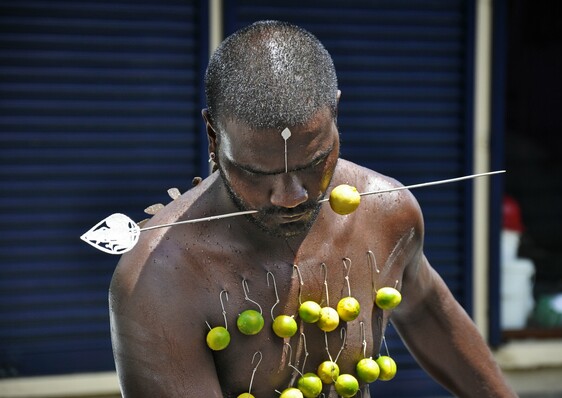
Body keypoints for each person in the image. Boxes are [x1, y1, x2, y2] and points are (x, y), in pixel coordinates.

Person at [109, 20, 517, 398]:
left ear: (336, 114)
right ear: (213, 138)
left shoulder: (388, 212)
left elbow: (426, 309)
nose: (290, 196)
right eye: (256, 172)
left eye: (311, 164)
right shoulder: (160, 278)